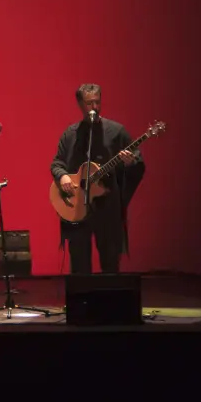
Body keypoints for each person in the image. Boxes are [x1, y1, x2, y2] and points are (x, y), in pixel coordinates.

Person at [50, 83, 145, 274]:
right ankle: (81, 302)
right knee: (79, 262)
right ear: (79, 104)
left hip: (107, 207)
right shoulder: (71, 134)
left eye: (97, 102)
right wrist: (63, 177)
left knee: (110, 260)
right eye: (88, 103)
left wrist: (130, 162)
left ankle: (108, 302)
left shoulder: (117, 131)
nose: (94, 107)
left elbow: (137, 161)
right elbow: (57, 163)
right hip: (78, 207)